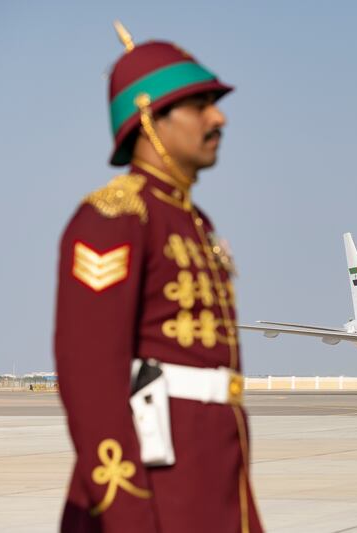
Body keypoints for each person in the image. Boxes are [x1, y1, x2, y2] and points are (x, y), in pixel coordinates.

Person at [54, 22, 263, 532]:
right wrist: (125, 513)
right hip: (155, 494)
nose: (219, 118)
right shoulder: (113, 218)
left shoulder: (197, 223)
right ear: (149, 118)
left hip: (212, 480)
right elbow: (91, 380)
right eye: (200, 104)